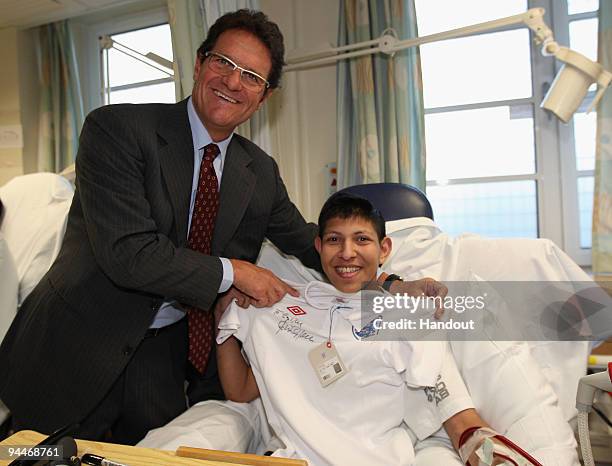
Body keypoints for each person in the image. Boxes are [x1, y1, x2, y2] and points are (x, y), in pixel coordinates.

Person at [215, 192, 542, 465]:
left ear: (384, 249)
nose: (346, 252)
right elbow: (241, 391)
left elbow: (457, 414)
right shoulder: (278, 304)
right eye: (334, 240)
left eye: (361, 240)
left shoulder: (403, 313)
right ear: (318, 247)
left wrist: (485, 450)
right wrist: (224, 313)